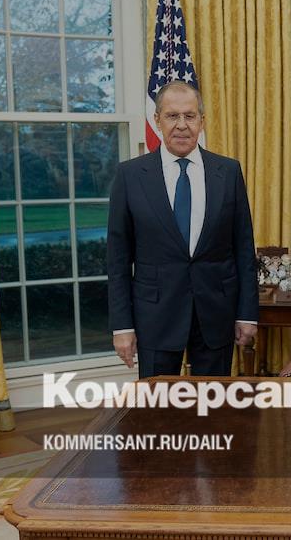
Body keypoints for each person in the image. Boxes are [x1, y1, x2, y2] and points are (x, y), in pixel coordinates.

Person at [107, 81, 258, 377]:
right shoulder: (130, 175)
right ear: (157, 120)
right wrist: (122, 326)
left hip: (216, 313)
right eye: (172, 116)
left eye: (189, 116)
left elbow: (243, 249)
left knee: (213, 401)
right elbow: (118, 260)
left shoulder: (228, 172)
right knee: (158, 403)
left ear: (202, 121)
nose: (181, 125)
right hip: (155, 316)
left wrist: (247, 314)